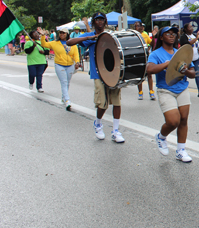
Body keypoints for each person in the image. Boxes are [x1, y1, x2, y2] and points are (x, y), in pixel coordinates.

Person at [67, 12, 125, 142]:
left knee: (117, 102)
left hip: (113, 72)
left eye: (102, 20)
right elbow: (70, 42)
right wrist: (92, 37)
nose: (100, 22)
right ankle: (98, 124)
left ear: (105, 22)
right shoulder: (89, 36)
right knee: (102, 104)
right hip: (98, 73)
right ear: (93, 22)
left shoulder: (110, 35)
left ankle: (116, 131)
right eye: (97, 20)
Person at [147, 25, 196, 163]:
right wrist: (167, 64)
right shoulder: (156, 54)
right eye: (167, 33)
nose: (171, 35)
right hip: (165, 89)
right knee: (173, 121)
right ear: (161, 37)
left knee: (184, 119)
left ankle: (181, 150)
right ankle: (161, 137)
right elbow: (149, 69)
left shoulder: (180, 53)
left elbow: (193, 73)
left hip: (182, 88)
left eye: (174, 33)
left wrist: (185, 71)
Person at [38, 27, 80, 110]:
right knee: (64, 82)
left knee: (67, 82)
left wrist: (77, 62)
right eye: (60, 33)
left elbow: (76, 54)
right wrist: (43, 36)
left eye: (64, 33)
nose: (62, 34)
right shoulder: (55, 43)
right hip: (59, 64)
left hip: (70, 65)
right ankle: (67, 100)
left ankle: (63, 96)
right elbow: (44, 44)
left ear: (67, 34)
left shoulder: (72, 43)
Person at [180, 23, 199, 98]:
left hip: (196, 59)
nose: (191, 28)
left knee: (197, 75)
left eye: (192, 27)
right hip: (187, 59)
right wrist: (196, 39)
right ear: (185, 29)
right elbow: (186, 44)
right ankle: (182, 90)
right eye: (189, 27)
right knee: (184, 74)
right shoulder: (183, 37)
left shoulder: (194, 35)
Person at [134, 21, 156, 100]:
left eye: (138, 26)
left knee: (149, 74)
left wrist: (153, 37)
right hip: (138, 57)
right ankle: (140, 92)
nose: (137, 28)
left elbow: (152, 44)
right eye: (135, 26)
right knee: (140, 75)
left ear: (141, 27)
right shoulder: (133, 35)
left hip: (146, 56)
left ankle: (151, 92)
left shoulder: (145, 34)